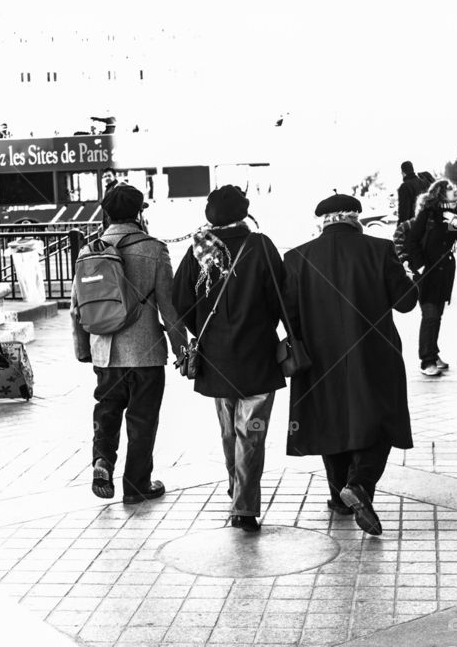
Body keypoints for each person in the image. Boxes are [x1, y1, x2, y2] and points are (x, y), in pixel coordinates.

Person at [283, 194, 418, 536]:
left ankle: (340, 497)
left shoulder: (297, 258)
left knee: (331, 420)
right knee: (381, 420)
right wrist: (408, 272)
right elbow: (405, 303)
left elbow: (290, 318)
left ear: (323, 221)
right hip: (374, 353)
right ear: (356, 217)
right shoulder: (380, 249)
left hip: (318, 358)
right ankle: (358, 485)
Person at [172, 185, 285, 533]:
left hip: (217, 357)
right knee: (252, 433)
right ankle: (245, 508)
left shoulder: (199, 250)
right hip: (258, 356)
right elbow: (282, 297)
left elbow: (180, 303)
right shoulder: (261, 245)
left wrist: (207, 332)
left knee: (228, 431)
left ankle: (237, 490)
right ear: (243, 212)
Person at [72, 184, 187, 504]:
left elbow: (76, 306)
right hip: (146, 352)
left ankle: (102, 461)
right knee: (142, 419)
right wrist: (182, 350)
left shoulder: (88, 250)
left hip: (105, 351)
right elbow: (169, 306)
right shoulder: (154, 249)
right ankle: (137, 485)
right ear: (139, 213)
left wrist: (84, 349)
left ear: (106, 213)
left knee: (107, 411)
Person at [394, 179, 457, 377]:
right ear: (441, 193)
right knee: (429, 315)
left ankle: (433, 353)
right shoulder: (428, 213)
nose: (455, 191)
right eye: (451, 189)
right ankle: (426, 360)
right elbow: (412, 240)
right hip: (427, 272)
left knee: (437, 315)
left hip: (445, 271)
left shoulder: (456, 213)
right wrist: (420, 265)